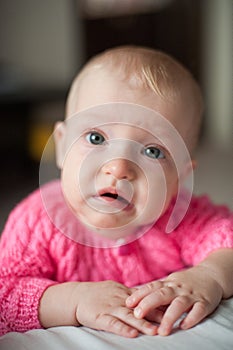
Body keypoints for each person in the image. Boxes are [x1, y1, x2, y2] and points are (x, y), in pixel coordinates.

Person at [0, 46, 232, 338]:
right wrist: (74, 300)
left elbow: (227, 238)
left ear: (179, 177)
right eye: (96, 138)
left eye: (153, 151)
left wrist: (209, 275)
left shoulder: (180, 216)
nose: (118, 167)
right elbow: (5, 295)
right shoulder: (36, 221)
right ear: (61, 146)